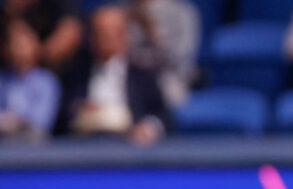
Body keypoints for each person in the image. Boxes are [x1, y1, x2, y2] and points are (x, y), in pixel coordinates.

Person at [62, 4, 168, 144]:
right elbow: (60, 115)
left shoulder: (143, 75)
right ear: (91, 38)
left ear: (124, 36)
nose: (105, 40)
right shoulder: (76, 74)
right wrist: (78, 109)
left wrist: (148, 128)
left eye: (111, 34)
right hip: (85, 146)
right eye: (100, 33)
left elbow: (163, 116)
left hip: (130, 147)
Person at [125, 0, 200, 108]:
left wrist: (154, 33)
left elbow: (180, 61)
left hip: (166, 77)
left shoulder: (183, 13)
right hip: (130, 76)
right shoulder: (124, 11)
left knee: (167, 93)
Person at [0, 19, 59, 139]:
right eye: (14, 43)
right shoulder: (3, 80)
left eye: (23, 43)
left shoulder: (47, 81)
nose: (18, 49)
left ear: (36, 44)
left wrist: (15, 121)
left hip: (35, 147)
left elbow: (42, 122)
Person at [1, 0, 81, 73]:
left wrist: (33, 53)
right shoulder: (7, 12)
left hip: (61, 77)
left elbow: (69, 35)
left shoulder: (61, 4)